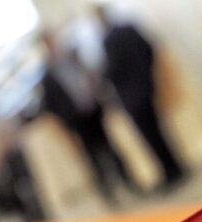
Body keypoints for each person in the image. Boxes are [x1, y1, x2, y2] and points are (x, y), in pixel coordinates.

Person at [94, 5, 186, 187]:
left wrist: (101, 77)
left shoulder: (109, 41)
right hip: (147, 87)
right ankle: (176, 166)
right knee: (159, 131)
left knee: (150, 136)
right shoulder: (129, 29)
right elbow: (149, 49)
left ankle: (169, 171)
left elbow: (114, 69)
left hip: (131, 97)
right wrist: (147, 75)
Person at [40, 30, 137, 203]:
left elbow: (91, 78)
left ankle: (129, 182)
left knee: (112, 148)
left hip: (93, 111)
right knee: (92, 156)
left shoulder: (72, 60)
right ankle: (108, 193)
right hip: (78, 120)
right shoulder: (47, 75)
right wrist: (67, 117)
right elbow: (50, 105)